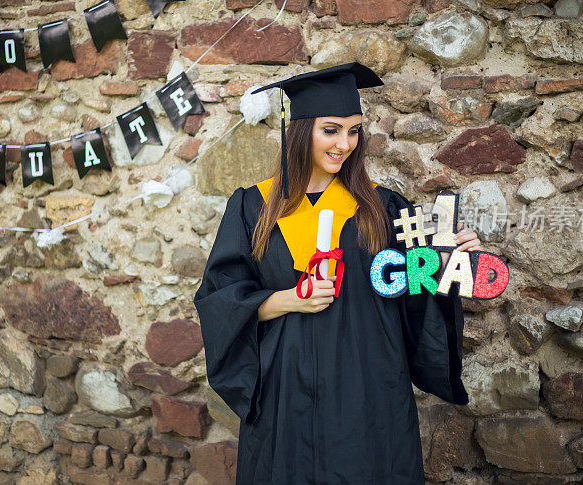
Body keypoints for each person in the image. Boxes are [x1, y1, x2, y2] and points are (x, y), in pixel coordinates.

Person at [193, 62, 481, 484]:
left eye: (353, 130)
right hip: (285, 390)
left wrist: (445, 257)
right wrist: (287, 299)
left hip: (368, 384)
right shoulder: (252, 207)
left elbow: (413, 286)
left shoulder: (383, 208)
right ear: (300, 130)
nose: (344, 144)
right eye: (331, 130)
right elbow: (220, 299)